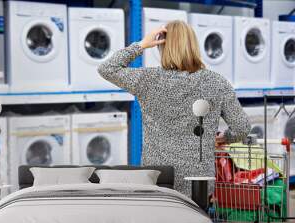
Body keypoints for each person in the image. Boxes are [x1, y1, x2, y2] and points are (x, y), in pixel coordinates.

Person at [98, 20, 250, 197]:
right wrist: (223, 138)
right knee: (196, 221)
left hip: (157, 176)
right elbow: (242, 128)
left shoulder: (147, 79)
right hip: (198, 179)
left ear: (162, 47)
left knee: (160, 222)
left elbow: (106, 68)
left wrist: (142, 44)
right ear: (193, 45)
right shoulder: (216, 82)